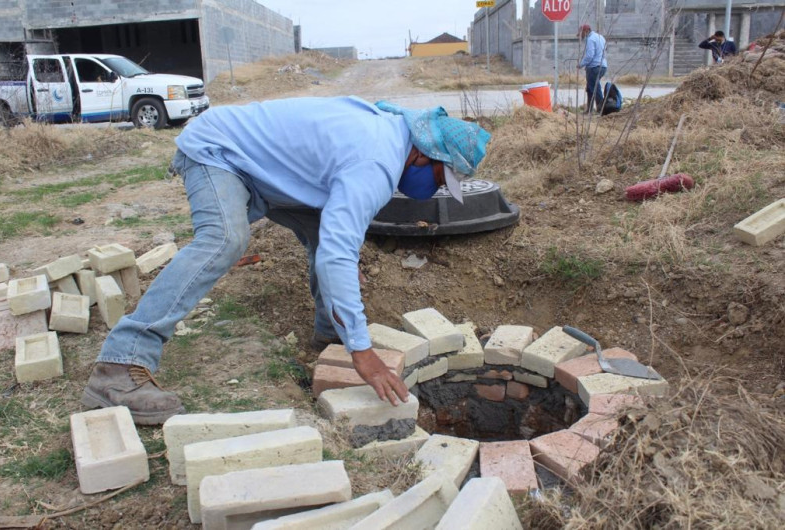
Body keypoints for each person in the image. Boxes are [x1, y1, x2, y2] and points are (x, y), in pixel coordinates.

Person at [80, 96, 492, 425]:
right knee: (224, 240)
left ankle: (331, 336)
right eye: (440, 180)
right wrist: (363, 352)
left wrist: (349, 335)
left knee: (319, 227)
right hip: (219, 152)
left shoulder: (393, 129)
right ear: (423, 155)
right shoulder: (376, 162)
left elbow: (332, 239)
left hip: (267, 172)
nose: (433, 190)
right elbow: (338, 256)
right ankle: (121, 364)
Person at [578, 24, 608, 114]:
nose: (581, 36)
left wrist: (581, 64)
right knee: (590, 87)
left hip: (594, 67)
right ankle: (589, 110)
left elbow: (589, 56)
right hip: (603, 66)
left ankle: (601, 109)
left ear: (586, 31)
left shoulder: (590, 40)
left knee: (594, 88)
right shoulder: (600, 37)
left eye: (581, 34)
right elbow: (605, 50)